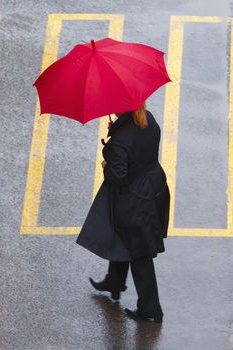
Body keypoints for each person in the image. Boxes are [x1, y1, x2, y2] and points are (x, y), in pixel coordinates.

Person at [76, 101, 170, 324]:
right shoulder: (149, 119)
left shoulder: (121, 139)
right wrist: (116, 133)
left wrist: (107, 162)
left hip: (134, 201)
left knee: (139, 253)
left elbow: (117, 176)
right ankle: (114, 282)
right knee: (125, 237)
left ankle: (150, 308)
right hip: (153, 189)